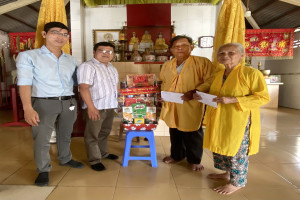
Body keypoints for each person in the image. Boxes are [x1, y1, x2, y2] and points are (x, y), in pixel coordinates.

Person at [194, 43, 270, 195]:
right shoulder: (219, 74)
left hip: (239, 120)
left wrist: (234, 100)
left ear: (242, 56)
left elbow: (262, 97)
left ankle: (237, 182)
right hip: (220, 117)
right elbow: (209, 88)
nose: (225, 56)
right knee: (222, 146)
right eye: (221, 53)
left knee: (236, 149)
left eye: (231, 53)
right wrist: (198, 94)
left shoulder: (251, 73)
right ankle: (227, 173)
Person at [16, 22, 84, 187]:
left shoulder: (71, 59)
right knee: (42, 139)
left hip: (68, 102)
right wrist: (27, 108)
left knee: (65, 134)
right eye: (55, 32)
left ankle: (65, 158)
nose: (60, 37)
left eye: (64, 34)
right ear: (44, 34)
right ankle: (43, 169)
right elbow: (24, 83)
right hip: (44, 103)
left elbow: (78, 83)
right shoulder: (29, 56)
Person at [160, 35, 215, 171]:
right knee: (174, 129)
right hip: (172, 103)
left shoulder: (202, 62)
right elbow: (163, 82)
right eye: (176, 46)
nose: (179, 48)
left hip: (192, 103)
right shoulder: (167, 65)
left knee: (193, 131)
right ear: (171, 49)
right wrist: (162, 96)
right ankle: (177, 155)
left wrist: (195, 91)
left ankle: (194, 159)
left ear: (191, 47)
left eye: (183, 45)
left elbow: (211, 80)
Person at [77, 42, 119, 171]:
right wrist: (91, 107)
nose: (106, 54)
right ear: (94, 52)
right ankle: (94, 159)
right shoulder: (87, 67)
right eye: (102, 51)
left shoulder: (112, 68)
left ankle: (103, 153)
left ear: (113, 54)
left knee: (104, 132)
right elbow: (83, 87)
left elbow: (115, 87)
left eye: (109, 51)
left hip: (109, 106)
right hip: (96, 107)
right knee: (92, 135)